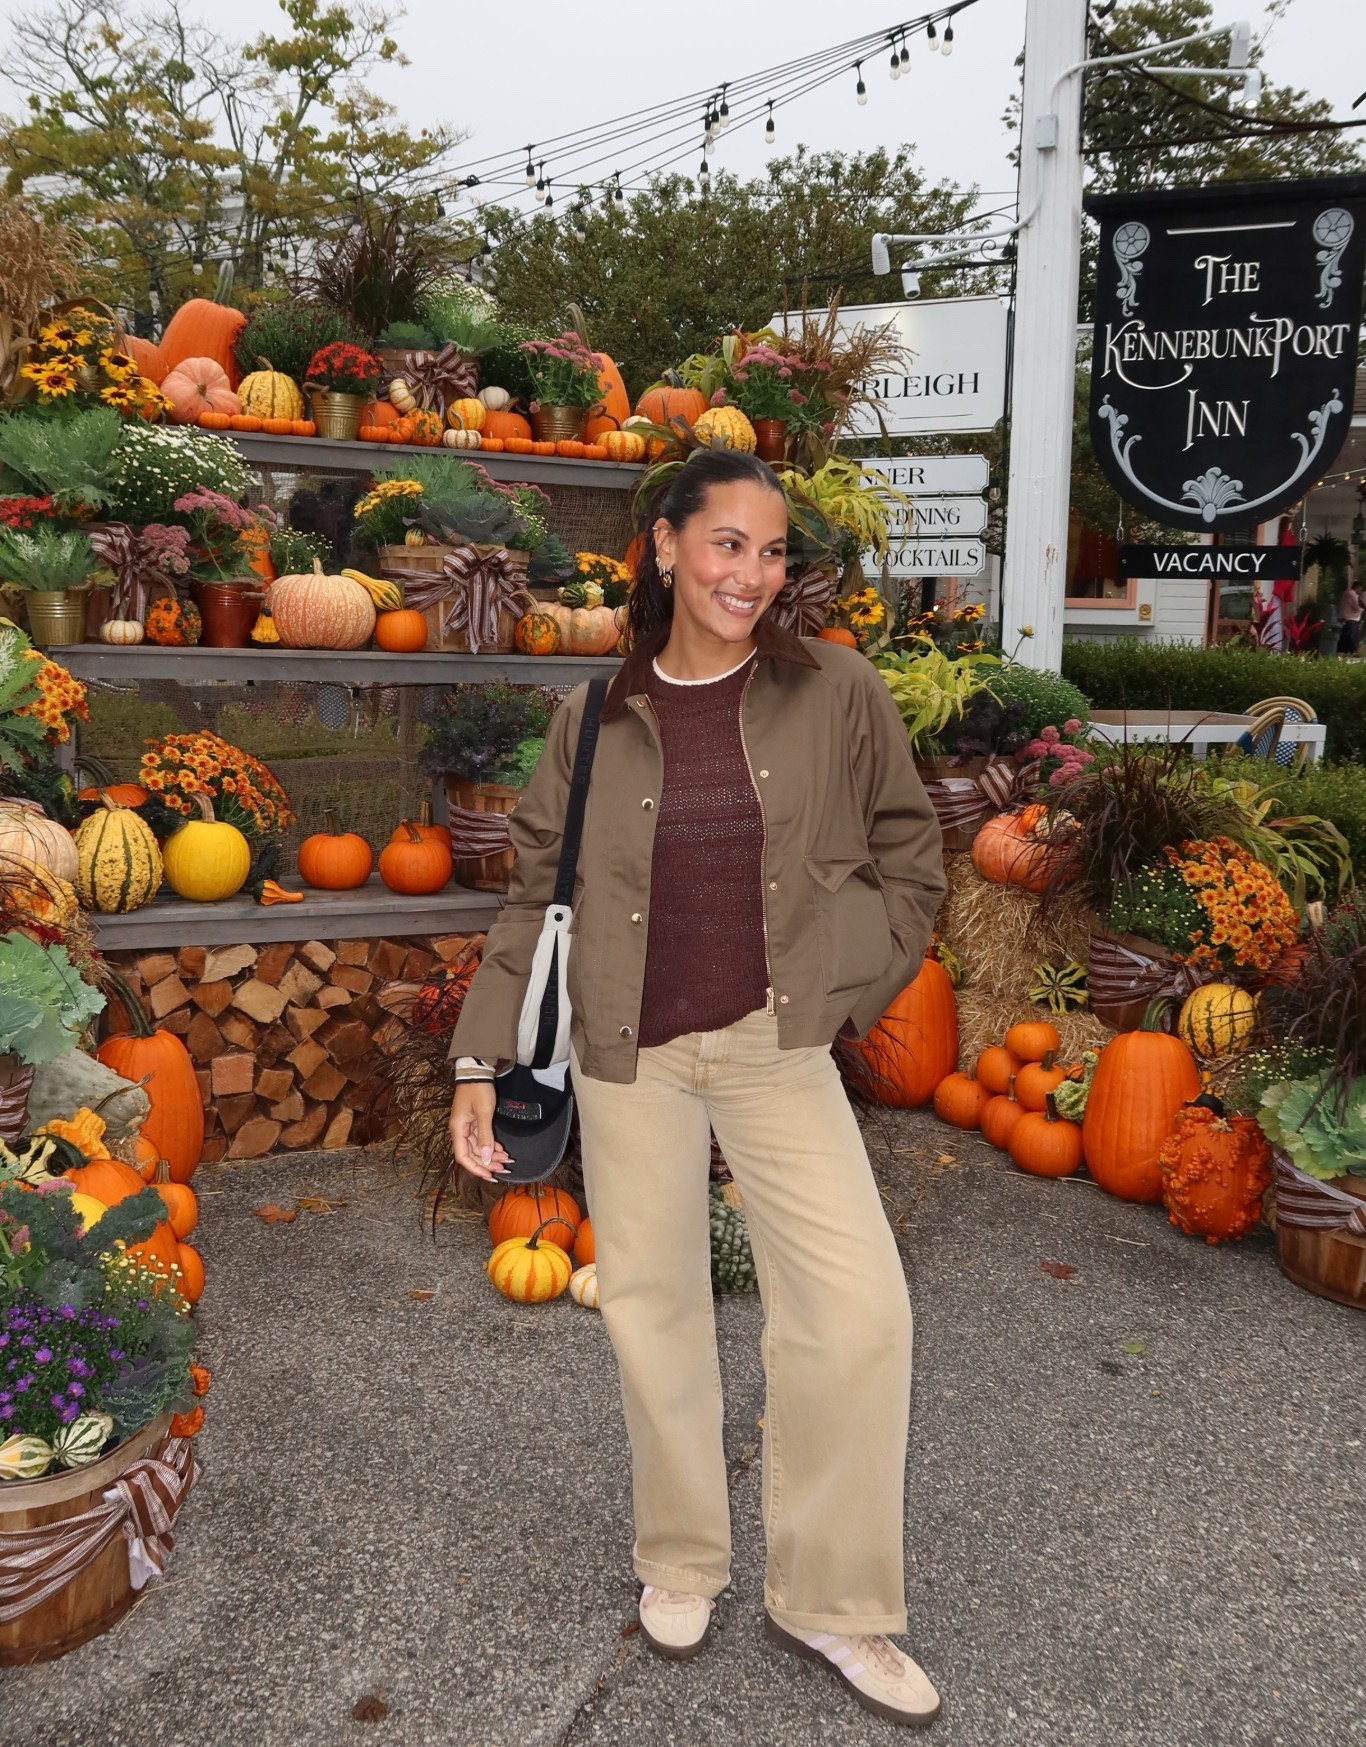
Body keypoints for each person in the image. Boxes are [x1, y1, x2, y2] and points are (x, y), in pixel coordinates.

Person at [447, 449, 948, 1728]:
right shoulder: (594, 713)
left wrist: (847, 985)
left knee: (856, 1312)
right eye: (728, 544)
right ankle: (681, 1559)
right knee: (656, 1313)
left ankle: (830, 1599)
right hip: (631, 1056)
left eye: (772, 552)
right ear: (665, 545)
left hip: (779, 1045)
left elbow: (910, 851)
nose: (753, 574)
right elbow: (531, 898)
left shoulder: (832, 687)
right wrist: (478, 1057)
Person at [1336, 580, 1362, 655]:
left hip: (1345, 618)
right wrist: (1362, 608)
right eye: (1360, 589)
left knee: (1345, 636)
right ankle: (1349, 652)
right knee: (1350, 636)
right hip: (1350, 619)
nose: (1360, 591)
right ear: (1357, 587)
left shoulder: (1346, 593)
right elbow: (1357, 607)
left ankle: (1343, 651)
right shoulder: (1352, 593)